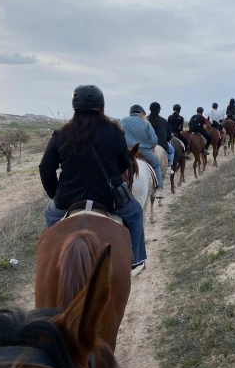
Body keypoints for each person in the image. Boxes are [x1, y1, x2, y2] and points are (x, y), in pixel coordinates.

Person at [39, 84, 146, 275]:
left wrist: (55, 194)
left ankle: (50, 258)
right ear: (102, 107)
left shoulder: (61, 135)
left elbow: (45, 169)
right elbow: (124, 165)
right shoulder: (115, 133)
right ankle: (136, 261)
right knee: (136, 213)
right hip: (107, 198)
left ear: (74, 108)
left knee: (51, 215)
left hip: (68, 198)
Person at [119, 104, 165, 198]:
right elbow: (154, 140)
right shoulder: (145, 122)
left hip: (126, 152)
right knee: (155, 164)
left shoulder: (122, 120)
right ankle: (159, 188)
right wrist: (151, 147)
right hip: (143, 151)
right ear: (142, 113)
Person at [147, 102, 174, 175]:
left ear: (150, 109)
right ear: (159, 110)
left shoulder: (145, 120)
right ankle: (168, 167)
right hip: (162, 144)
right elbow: (168, 137)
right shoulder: (164, 121)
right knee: (171, 150)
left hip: (147, 145)